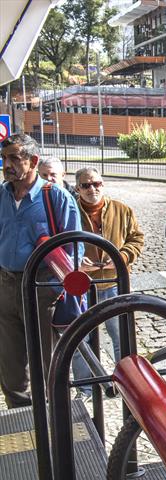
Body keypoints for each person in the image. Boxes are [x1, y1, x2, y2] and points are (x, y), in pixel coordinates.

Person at [0, 134, 81, 408]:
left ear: (33, 161)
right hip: (6, 285)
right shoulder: (2, 195)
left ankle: (56, 416)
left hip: (42, 287)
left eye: (14, 158)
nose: (7, 165)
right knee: (10, 364)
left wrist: (54, 291)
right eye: (4, 158)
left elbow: (74, 249)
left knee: (49, 361)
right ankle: (20, 416)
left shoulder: (56, 196)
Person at [71, 167, 144, 385]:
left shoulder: (122, 209)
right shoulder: (71, 211)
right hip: (83, 286)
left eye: (96, 183)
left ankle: (125, 384)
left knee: (121, 336)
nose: (92, 189)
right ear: (77, 188)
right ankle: (85, 388)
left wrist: (122, 256)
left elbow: (136, 238)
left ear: (102, 184)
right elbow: (62, 242)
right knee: (81, 339)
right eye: (86, 185)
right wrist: (76, 261)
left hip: (115, 283)